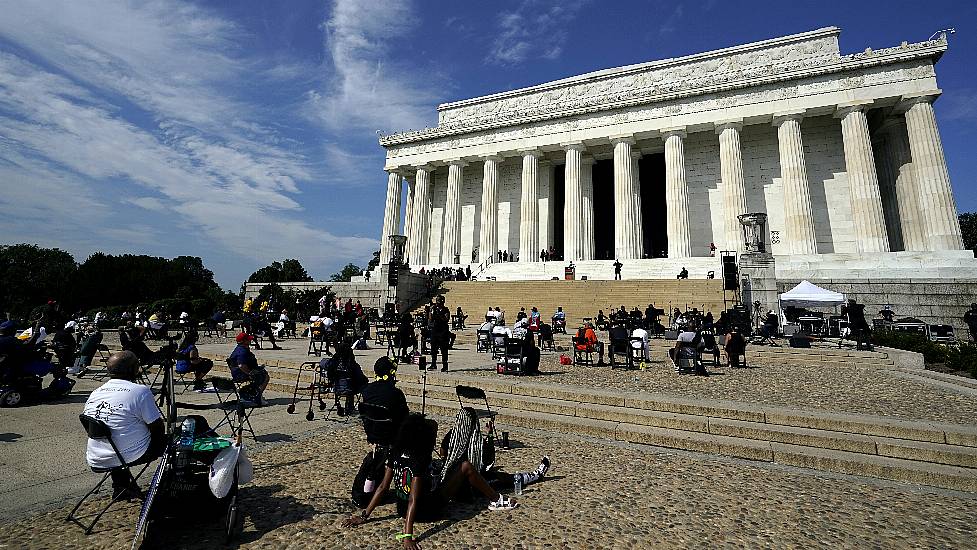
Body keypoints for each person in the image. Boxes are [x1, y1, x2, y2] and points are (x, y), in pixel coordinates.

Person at [343, 413, 520, 544]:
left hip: (401, 508)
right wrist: (407, 536)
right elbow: (414, 498)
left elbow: (382, 487)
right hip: (427, 510)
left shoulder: (395, 452)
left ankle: (489, 495)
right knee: (465, 467)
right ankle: (496, 499)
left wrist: (364, 515)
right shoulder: (418, 459)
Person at [82, 351, 165, 500]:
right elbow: (157, 427)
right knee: (174, 440)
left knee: (119, 439)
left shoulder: (95, 393)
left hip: (97, 456)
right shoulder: (140, 391)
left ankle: (122, 486)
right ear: (134, 369)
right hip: (126, 455)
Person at [324, 343, 368, 416]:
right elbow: (360, 377)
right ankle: (350, 407)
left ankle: (343, 405)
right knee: (358, 384)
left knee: (348, 383)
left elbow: (326, 367)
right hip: (349, 388)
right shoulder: (352, 365)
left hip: (336, 387)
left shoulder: (334, 363)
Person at [227, 332, 269, 406]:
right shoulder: (242, 351)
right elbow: (241, 365)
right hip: (241, 374)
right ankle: (256, 396)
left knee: (262, 372)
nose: (250, 340)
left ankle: (254, 394)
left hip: (241, 372)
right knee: (264, 376)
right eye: (248, 340)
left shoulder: (242, 348)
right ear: (243, 341)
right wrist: (250, 373)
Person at [428, 297, 451, 372]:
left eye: (440, 301)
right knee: (433, 349)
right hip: (435, 330)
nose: (438, 303)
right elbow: (430, 319)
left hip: (443, 331)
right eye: (437, 301)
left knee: (444, 350)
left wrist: (438, 313)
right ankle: (433, 364)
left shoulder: (445, 310)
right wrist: (431, 311)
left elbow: (446, 319)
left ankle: (445, 365)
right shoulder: (434, 309)